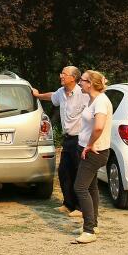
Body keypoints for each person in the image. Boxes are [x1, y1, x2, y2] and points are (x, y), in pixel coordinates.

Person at [32, 66, 89, 214]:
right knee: (64, 171)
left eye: (64, 74)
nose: (61, 76)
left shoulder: (83, 93)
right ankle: (68, 204)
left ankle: (80, 207)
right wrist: (37, 95)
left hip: (79, 139)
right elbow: (51, 96)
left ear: (73, 78)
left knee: (78, 173)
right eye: (61, 73)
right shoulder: (61, 92)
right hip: (67, 139)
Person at [71, 70, 112, 244]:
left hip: (95, 152)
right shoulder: (93, 100)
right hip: (90, 149)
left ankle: (89, 231)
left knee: (80, 188)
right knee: (92, 187)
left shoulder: (101, 102)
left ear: (91, 83)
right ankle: (93, 224)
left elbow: (98, 127)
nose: (80, 82)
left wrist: (89, 145)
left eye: (82, 80)